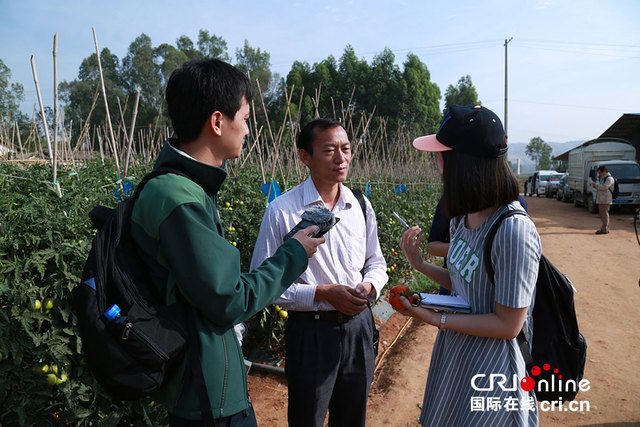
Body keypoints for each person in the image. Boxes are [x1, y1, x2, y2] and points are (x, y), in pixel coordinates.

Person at [130, 59, 325, 426]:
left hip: (210, 381)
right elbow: (229, 298)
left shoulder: (190, 189)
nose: (249, 130)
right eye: (246, 118)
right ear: (218, 122)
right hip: (204, 394)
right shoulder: (178, 197)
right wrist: (294, 252)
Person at [396, 105, 541, 426]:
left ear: (463, 162)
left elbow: (508, 325)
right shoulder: (463, 218)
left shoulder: (513, 230)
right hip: (457, 357)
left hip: (492, 371)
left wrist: (435, 317)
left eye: (440, 154)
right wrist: (419, 264)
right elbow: (467, 281)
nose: (435, 162)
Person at [250, 118, 388, 427]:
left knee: (353, 417)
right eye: (329, 150)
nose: (341, 158)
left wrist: (368, 287)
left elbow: (376, 262)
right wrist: (323, 293)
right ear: (305, 157)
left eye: (346, 149)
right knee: (307, 418)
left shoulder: (360, 206)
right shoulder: (283, 211)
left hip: (358, 329)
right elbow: (263, 282)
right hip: (311, 333)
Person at [591, 165, 614, 234]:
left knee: (604, 215)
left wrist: (596, 186)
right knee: (603, 215)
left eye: (600, 173)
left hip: (606, 200)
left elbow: (605, 187)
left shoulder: (609, 179)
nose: (599, 174)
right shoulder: (603, 178)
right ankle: (606, 228)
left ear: (604, 172)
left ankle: (604, 229)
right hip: (602, 199)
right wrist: (596, 186)